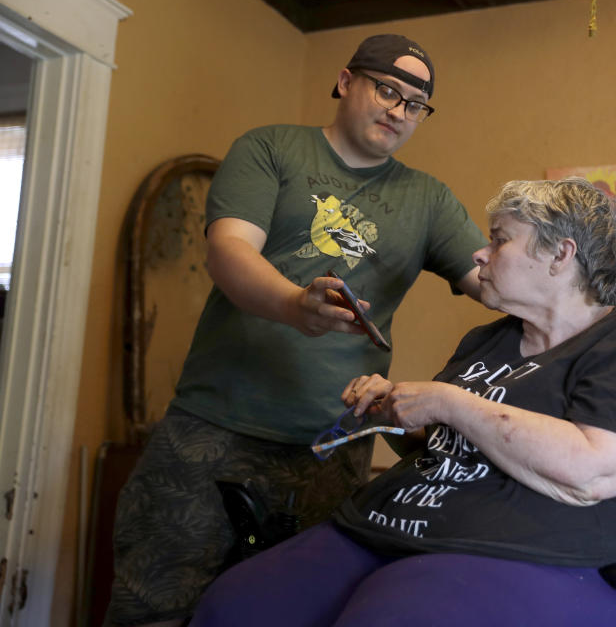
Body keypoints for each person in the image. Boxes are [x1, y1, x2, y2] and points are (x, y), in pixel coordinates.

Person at [106, 34, 489, 627]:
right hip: (212, 430)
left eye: (415, 104)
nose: (398, 110)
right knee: (156, 607)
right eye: (387, 89)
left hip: (331, 449)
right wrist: (293, 304)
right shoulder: (272, 148)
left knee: (296, 615)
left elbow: (493, 282)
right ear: (344, 80)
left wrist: (586, 263)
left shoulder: (428, 200)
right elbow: (229, 251)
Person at [189, 178, 616, 627]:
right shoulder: (485, 340)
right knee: (231, 606)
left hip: (515, 544)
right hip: (396, 522)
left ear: (560, 255)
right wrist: (400, 415)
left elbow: (598, 467)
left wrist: (448, 402)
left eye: (500, 239)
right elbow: (447, 447)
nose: (481, 255)